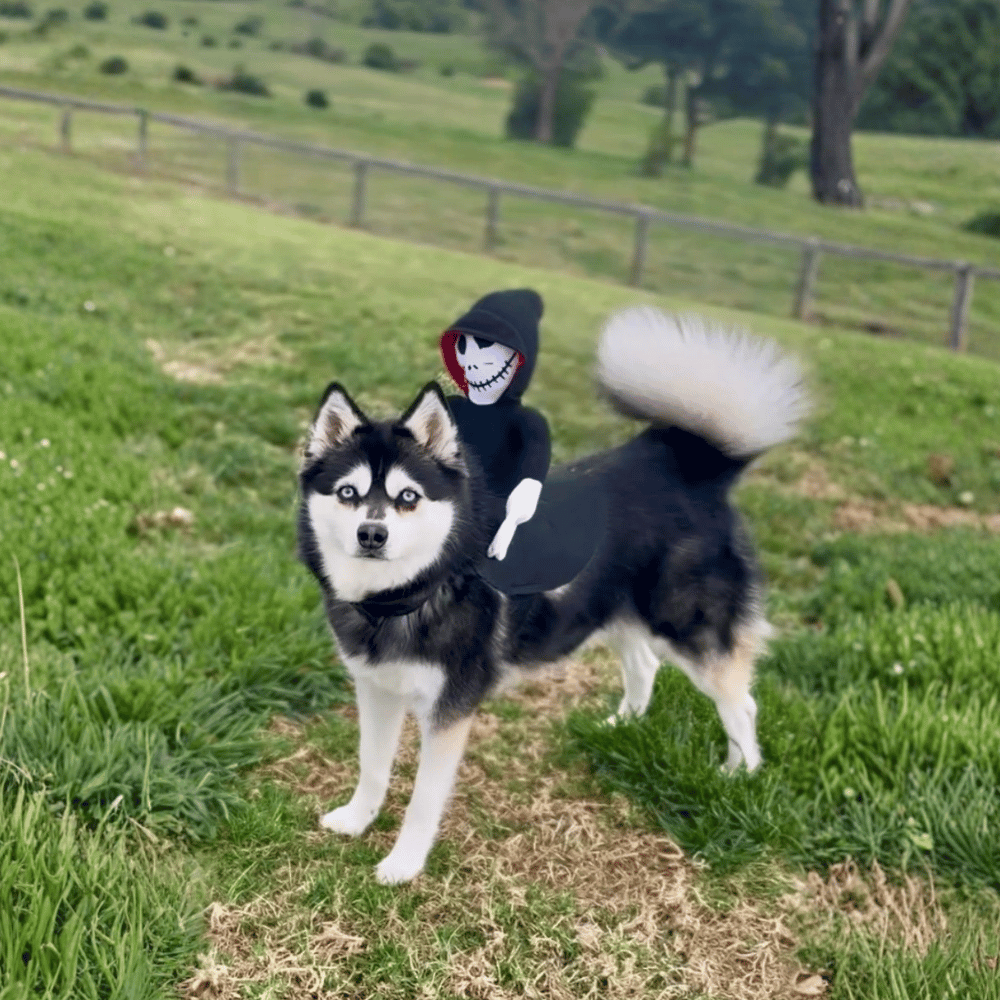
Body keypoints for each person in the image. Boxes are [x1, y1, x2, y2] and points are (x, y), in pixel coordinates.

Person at [439, 288, 550, 561]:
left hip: (489, 529)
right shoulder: (450, 408)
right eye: (464, 346)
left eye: (487, 347)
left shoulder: (526, 424)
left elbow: (529, 484)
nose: (472, 363)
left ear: (520, 360)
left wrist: (512, 521)